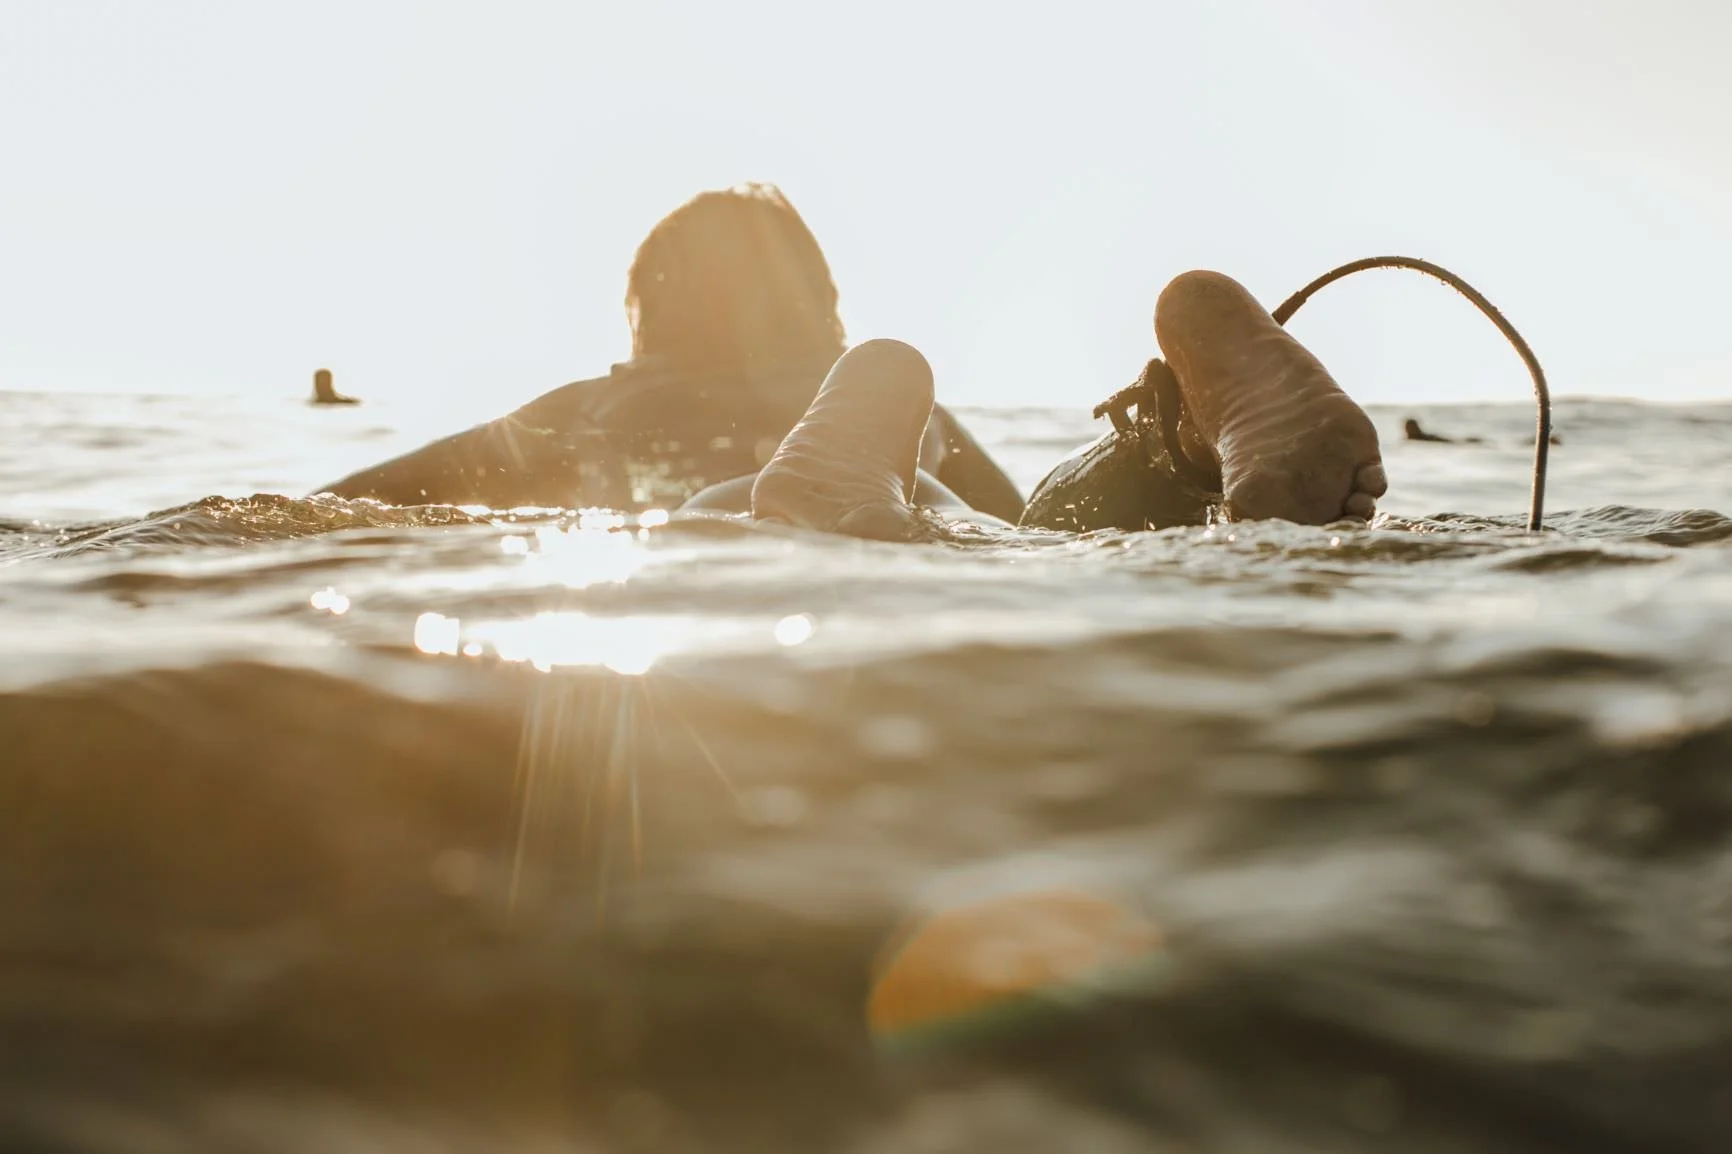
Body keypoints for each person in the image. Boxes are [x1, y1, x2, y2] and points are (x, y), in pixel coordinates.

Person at [317, 185, 1024, 520]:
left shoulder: (586, 408)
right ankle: (896, 506)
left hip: (698, 543)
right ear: (811, 294)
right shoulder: (893, 410)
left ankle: (756, 506)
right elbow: (1037, 524)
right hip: (898, 519)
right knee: (956, 521)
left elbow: (352, 503)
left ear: (650, 306)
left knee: (717, 520)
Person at [696, 270, 1388, 538]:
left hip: (731, 513)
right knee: (1024, 536)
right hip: (937, 507)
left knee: (738, 518)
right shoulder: (925, 424)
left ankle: (818, 506)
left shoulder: (589, 412)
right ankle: (1185, 456)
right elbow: (1020, 524)